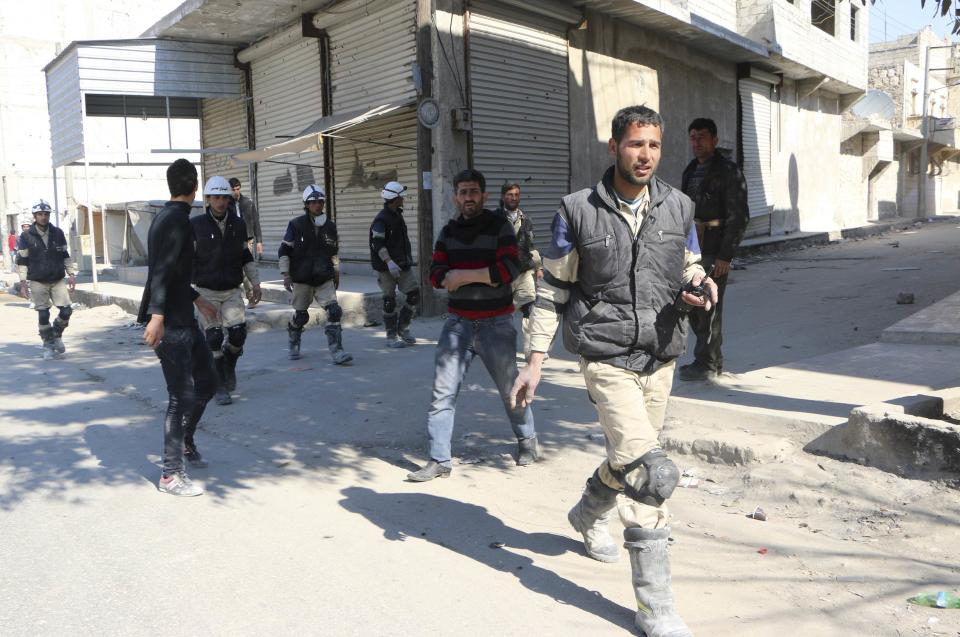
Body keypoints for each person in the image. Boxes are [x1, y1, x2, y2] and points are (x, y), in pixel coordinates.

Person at [511, 106, 717, 637]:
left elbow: (688, 263)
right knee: (652, 473)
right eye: (634, 145)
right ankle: (657, 609)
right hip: (604, 357)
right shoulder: (576, 211)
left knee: (628, 458)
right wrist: (534, 362)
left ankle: (586, 513)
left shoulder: (679, 206)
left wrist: (701, 284)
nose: (645, 155)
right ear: (614, 147)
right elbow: (552, 291)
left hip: (661, 354)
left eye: (653, 145)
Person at [406, 169, 539, 482]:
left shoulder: (499, 226)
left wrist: (464, 276)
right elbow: (436, 274)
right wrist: (464, 275)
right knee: (442, 394)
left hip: (496, 324)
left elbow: (509, 268)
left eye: (473, 192)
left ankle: (527, 440)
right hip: (458, 325)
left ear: (484, 195)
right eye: (463, 192)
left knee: (511, 389)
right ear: (456, 197)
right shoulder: (448, 232)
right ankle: (439, 459)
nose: (468, 197)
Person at [139, 158, 219, 497]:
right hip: (170, 323)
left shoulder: (167, 218)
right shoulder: (176, 222)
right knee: (180, 396)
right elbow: (160, 272)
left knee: (208, 382)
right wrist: (157, 316)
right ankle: (170, 475)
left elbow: (172, 272)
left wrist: (197, 298)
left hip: (182, 316)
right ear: (195, 186)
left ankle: (185, 441)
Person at [678, 118, 749, 381]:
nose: (697, 142)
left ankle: (707, 363)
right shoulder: (690, 170)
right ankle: (708, 357)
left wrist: (725, 256)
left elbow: (739, 216)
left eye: (702, 137)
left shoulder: (728, 171)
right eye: (693, 137)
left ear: (715, 140)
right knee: (693, 304)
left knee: (708, 306)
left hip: (714, 246)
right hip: (692, 247)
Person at [192, 176, 262, 406]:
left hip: (232, 289)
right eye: (216, 197)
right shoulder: (196, 225)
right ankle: (220, 384)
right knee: (213, 337)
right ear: (208, 199)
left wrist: (255, 283)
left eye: (224, 197)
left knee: (238, 334)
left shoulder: (238, 224)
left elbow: (245, 256)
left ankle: (229, 362)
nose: (220, 201)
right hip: (206, 291)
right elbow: (187, 260)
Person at [279, 185, 352, 365]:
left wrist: (336, 271)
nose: (318, 205)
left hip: (323, 277)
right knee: (301, 316)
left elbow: (334, 251)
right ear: (306, 204)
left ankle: (337, 351)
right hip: (302, 278)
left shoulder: (330, 226)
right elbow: (284, 250)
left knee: (334, 311)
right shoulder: (296, 225)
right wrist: (286, 274)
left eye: (320, 202)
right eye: (313, 202)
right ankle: (294, 337)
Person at [16, 200, 77, 359]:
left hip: (57, 279)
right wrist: (23, 283)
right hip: (37, 280)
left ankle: (56, 333)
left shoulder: (58, 233)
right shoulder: (26, 236)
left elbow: (65, 255)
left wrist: (71, 275)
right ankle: (48, 344)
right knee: (43, 314)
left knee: (67, 310)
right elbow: (22, 261)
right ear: (35, 216)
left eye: (46, 214)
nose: (43, 217)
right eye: (40, 214)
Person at [369, 180, 419, 348]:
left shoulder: (398, 214)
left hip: (403, 264)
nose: (403, 200)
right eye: (401, 198)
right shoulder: (381, 220)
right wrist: (389, 262)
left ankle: (403, 329)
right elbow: (377, 243)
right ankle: (391, 336)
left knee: (414, 294)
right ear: (394, 199)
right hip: (386, 267)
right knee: (389, 300)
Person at [494, 182, 542, 358]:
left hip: (523, 272)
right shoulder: (494, 219)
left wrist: (538, 267)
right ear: (502, 197)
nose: (514, 198)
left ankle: (530, 350)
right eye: (510, 195)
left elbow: (531, 246)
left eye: (516, 195)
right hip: (502, 274)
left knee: (529, 308)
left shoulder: (526, 220)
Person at [229, 177, 263, 258]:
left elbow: (256, 222)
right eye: (233, 190)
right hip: (232, 239)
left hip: (247, 239)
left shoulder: (248, 202)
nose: (236, 192)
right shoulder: (226, 204)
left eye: (238, 189)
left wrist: (259, 241)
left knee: (246, 263)